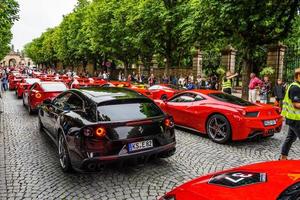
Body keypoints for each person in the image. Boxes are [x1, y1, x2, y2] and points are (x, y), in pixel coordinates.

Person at [279, 68, 300, 160]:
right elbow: (296, 104)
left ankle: (283, 157)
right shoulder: (295, 87)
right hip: (296, 120)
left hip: (293, 119)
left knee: (290, 138)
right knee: (290, 138)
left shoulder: (296, 86)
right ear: (298, 76)